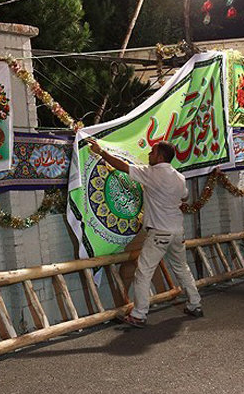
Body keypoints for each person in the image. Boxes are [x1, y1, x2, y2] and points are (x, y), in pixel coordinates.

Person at [87, 138, 203, 328]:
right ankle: (195, 304)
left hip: (159, 233)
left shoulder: (152, 173)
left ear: (159, 156)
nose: (149, 154)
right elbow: (185, 196)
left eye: (152, 152)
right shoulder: (179, 177)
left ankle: (139, 315)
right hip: (177, 231)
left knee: (143, 272)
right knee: (182, 268)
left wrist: (101, 152)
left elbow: (122, 166)